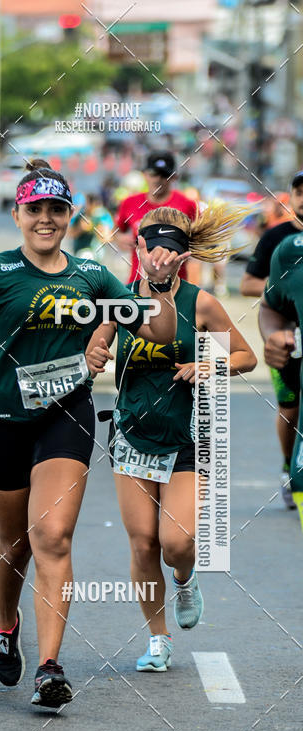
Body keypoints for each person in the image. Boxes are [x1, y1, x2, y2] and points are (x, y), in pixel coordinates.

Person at [0, 158, 188, 708]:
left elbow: (158, 328)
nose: (46, 219)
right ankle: (7, 619)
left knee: (54, 537)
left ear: (70, 216)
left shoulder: (91, 277)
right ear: (18, 215)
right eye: (35, 209)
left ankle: (49, 666)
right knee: (15, 544)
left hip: (65, 417)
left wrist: (157, 284)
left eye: (56, 210)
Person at [86, 204, 256, 672]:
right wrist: (96, 351)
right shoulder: (122, 298)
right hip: (133, 434)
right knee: (142, 544)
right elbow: (97, 342)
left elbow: (246, 356)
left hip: (184, 438)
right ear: (137, 247)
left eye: (169, 249)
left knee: (176, 543)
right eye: (150, 245)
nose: (158, 255)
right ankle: (157, 639)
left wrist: (210, 364)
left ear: (183, 257)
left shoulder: (200, 302)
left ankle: (185, 578)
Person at [240, 171, 303, 508]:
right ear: (291, 197)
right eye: (299, 192)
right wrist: (283, 286)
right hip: (287, 338)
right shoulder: (277, 240)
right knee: (290, 409)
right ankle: (287, 468)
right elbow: (249, 284)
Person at [259, 232, 303, 527]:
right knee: (289, 406)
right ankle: (289, 467)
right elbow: (269, 304)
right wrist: (273, 335)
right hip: (295, 354)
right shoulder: (288, 249)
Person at [115, 151, 198, 284]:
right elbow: (117, 231)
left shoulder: (188, 205)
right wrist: (120, 239)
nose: (158, 179)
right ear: (144, 175)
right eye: (153, 174)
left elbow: (199, 246)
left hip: (175, 288)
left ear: (174, 177)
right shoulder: (129, 203)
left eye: (164, 175)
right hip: (138, 285)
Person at [69, 192, 114, 263]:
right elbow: (70, 233)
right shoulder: (81, 215)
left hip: (96, 255)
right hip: (80, 252)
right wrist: (80, 228)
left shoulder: (102, 215)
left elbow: (108, 237)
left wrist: (99, 231)